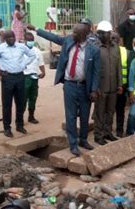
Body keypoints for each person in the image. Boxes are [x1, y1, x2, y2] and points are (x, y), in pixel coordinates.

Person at [32, 23, 100, 156]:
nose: (72, 34)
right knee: (71, 116)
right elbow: (53, 37)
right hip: (70, 85)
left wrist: (94, 89)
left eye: (75, 33)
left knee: (85, 116)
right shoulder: (69, 41)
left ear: (83, 35)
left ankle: (83, 140)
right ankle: (73, 144)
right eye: (73, 32)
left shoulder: (93, 50)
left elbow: (97, 72)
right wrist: (36, 29)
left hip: (85, 86)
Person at [0, 30, 37, 138]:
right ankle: (7, 128)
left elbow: (32, 55)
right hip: (7, 78)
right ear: (4, 39)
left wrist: (24, 64)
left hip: (20, 76)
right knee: (7, 104)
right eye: (8, 37)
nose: (11, 39)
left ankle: (19, 125)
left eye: (12, 37)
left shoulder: (21, 47)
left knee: (20, 102)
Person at [92, 21, 123, 145]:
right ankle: (98, 135)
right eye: (104, 33)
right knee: (100, 112)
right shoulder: (95, 48)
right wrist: (95, 87)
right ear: (99, 34)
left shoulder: (116, 47)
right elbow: (92, 69)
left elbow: (118, 67)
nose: (107, 35)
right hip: (101, 87)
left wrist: (120, 84)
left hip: (113, 86)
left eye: (108, 33)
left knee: (110, 111)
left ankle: (107, 132)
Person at [23, 31, 46, 124]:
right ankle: (20, 118)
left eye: (32, 40)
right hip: (25, 77)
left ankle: (31, 116)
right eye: (28, 40)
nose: (30, 42)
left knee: (33, 97)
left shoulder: (37, 51)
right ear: (24, 40)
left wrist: (43, 72)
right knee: (23, 98)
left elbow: (41, 63)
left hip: (34, 77)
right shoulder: (21, 51)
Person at [112, 32, 130, 137]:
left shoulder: (126, 52)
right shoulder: (105, 50)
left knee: (120, 110)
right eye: (112, 38)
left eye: (115, 38)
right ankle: (107, 131)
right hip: (109, 86)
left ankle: (119, 131)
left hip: (122, 86)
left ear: (119, 40)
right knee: (108, 111)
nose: (113, 39)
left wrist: (127, 88)